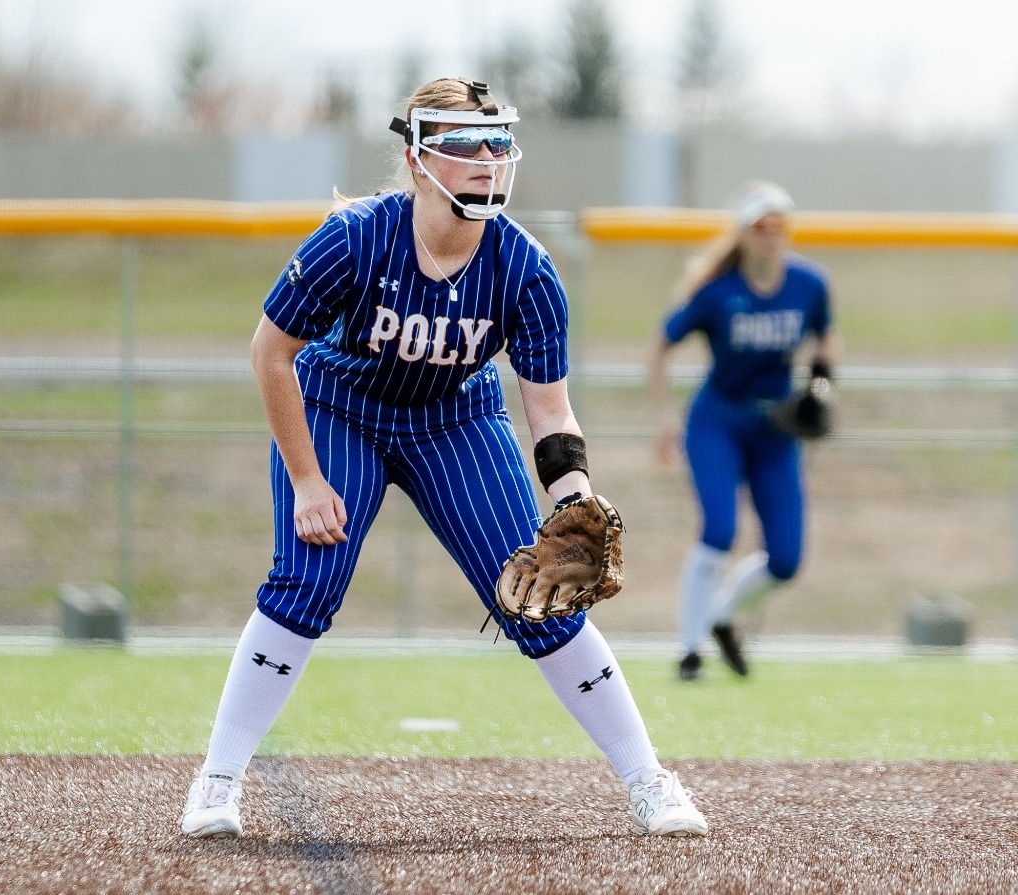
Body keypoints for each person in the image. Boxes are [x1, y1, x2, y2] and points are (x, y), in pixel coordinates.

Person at [179, 77, 707, 840]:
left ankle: (649, 779)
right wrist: (305, 477)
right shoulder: (356, 237)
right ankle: (217, 778)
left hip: (453, 419)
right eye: (465, 145)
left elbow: (550, 408)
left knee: (539, 592)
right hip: (340, 408)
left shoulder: (525, 268)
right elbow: (271, 353)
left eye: (497, 144)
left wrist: (574, 498)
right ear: (418, 159)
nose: (487, 160)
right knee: (307, 580)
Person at [646, 181, 840, 682]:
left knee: (787, 558)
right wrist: (666, 418)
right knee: (719, 529)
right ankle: (690, 651)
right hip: (718, 419)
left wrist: (821, 384)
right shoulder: (719, 292)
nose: (772, 235)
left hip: (775, 427)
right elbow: (659, 347)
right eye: (761, 226)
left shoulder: (809, 284)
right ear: (745, 234)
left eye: (780, 225)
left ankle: (721, 616)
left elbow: (826, 337)